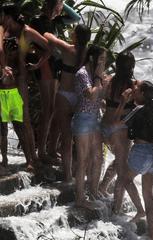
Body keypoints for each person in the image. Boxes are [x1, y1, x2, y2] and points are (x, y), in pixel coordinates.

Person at [1, 4, 51, 172]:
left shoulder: (27, 31)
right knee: (16, 121)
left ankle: (33, 159)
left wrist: (38, 64)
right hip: (7, 79)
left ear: (9, 17)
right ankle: (31, 158)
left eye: (3, 16)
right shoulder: (6, 30)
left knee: (25, 120)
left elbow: (49, 47)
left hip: (21, 78)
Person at [97, 52, 145, 222]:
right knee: (122, 167)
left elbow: (101, 100)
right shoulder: (134, 86)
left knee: (113, 162)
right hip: (121, 130)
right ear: (132, 66)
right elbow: (141, 105)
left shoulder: (108, 80)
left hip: (104, 125)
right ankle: (116, 209)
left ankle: (101, 187)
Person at [31, 0, 81, 164]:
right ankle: (42, 151)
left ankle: (50, 149)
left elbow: (76, 17)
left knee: (52, 109)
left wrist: (62, 4)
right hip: (44, 64)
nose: (62, 8)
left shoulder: (56, 21)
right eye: (60, 5)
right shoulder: (37, 20)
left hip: (54, 65)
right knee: (48, 108)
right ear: (53, 5)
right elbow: (37, 44)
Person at [112, 80, 153, 237]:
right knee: (149, 193)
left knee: (125, 180)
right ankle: (152, 232)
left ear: (142, 93)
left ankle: (140, 210)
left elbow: (116, 123)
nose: (133, 91)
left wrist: (122, 102)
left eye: (136, 89)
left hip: (141, 151)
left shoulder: (139, 109)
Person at [44, 23, 91, 181]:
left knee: (65, 137)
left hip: (64, 95)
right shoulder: (89, 54)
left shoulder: (68, 49)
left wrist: (60, 39)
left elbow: (47, 35)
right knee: (75, 139)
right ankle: (76, 171)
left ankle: (67, 175)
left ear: (75, 36)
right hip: (79, 98)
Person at [71, 45, 107, 208]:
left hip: (94, 119)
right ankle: (79, 198)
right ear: (92, 58)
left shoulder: (93, 74)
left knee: (98, 157)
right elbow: (92, 96)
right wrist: (99, 78)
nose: (104, 62)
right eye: (101, 59)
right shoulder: (83, 73)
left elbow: (100, 98)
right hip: (83, 119)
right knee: (83, 160)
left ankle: (92, 192)